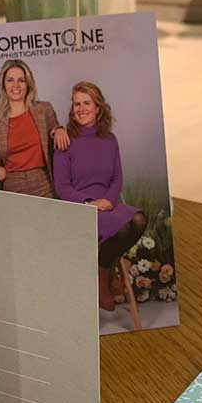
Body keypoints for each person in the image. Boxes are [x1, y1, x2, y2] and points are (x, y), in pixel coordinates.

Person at [53, 81, 146, 312]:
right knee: (121, 229)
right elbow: (62, 187)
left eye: (87, 103)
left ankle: (105, 269)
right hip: (80, 207)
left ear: (98, 107)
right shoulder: (65, 141)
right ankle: (105, 280)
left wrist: (109, 201)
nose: (81, 109)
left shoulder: (109, 140)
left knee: (139, 220)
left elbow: (117, 178)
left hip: (107, 203)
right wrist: (88, 203)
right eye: (76, 104)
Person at [0, 60, 69, 199]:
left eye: (21, 80)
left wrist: (59, 130)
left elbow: (54, 129)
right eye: (10, 80)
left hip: (44, 183)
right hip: (12, 186)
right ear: (3, 84)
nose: (15, 85)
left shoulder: (44, 109)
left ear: (28, 84)